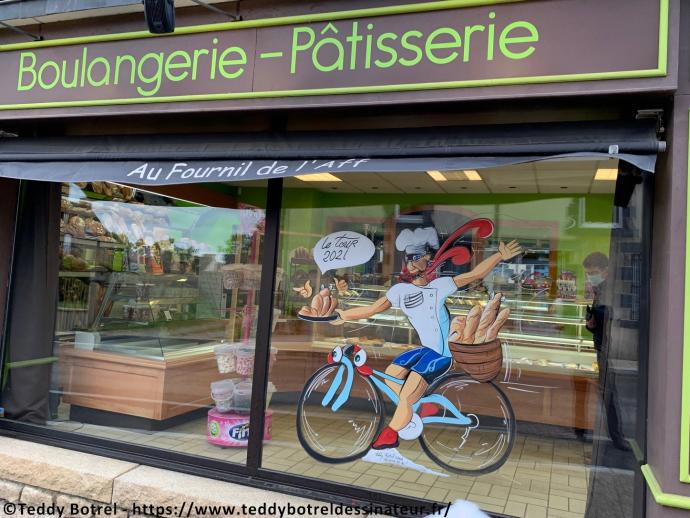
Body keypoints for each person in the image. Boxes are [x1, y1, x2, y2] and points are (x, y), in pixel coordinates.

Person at [332, 221, 522, 450]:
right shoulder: (400, 291)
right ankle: (418, 407)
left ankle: (392, 433)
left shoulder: (440, 286)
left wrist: (498, 256)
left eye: (416, 257)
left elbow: (473, 275)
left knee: (406, 396)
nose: (410, 262)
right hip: (425, 350)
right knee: (391, 376)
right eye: (408, 258)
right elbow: (372, 309)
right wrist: (344, 315)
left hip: (441, 355)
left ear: (429, 261)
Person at [583, 251, 630, 451]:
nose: (589, 276)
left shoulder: (612, 289)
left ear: (605, 271)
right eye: (587, 273)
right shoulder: (597, 289)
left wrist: (596, 313)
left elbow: (613, 313)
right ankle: (607, 432)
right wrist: (590, 322)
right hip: (602, 346)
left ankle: (616, 436)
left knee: (610, 393)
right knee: (606, 392)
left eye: (593, 272)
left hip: (612, 348)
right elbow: (595, 323)